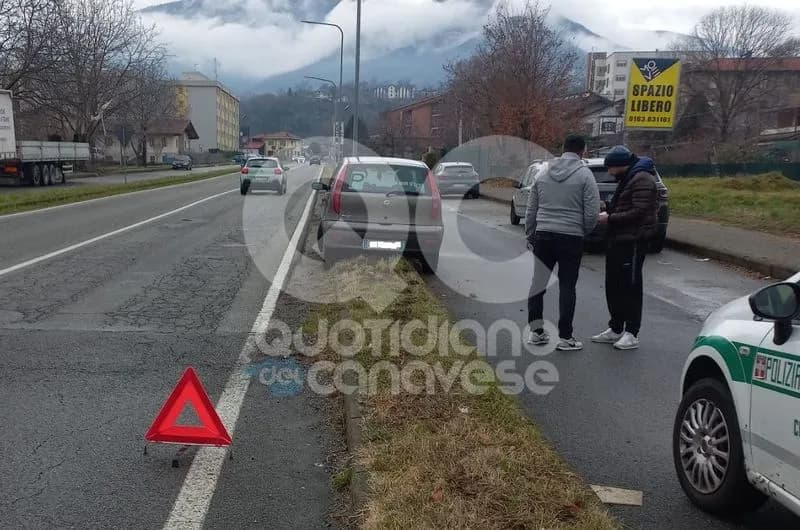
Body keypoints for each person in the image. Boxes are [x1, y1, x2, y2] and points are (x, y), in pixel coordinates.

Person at [526, 134, 600, 351]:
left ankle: (536, 332)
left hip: (544, 235)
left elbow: (531, 208)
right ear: (583, 151)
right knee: (568, 286)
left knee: (537, 284)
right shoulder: (586, 175)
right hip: (571, 237)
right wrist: (583, 230)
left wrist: (530, 233)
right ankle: (566, 337)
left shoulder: (542, 173)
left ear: (563, 148)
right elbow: (592, 212)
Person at [591, 146, 658, 350]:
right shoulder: (628, 178)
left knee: (631, 286)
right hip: (618, 239)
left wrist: (610, 218)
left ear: (621, 165)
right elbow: (627, 206)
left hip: (633, 241)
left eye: (610, 168)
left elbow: (638, 212)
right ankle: (616, 327)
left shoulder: (642, 179)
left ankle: (632, 332)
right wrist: (609, 209)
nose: (609, 173)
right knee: (614, 285)